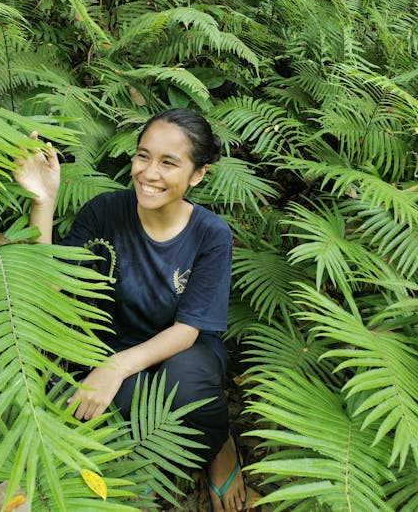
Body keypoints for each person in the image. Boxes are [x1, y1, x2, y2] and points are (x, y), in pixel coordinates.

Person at [13, 108, 247, 512]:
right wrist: (43, 201)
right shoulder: (104, 212)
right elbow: (53, 287)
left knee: (187, 387)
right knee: (103, 403)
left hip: (183, 350)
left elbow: (189, 329)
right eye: (143, 156)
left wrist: (117, 367)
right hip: (110, 342)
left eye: (168, 162)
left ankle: (219, 442)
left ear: (197, 175)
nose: (149, 173)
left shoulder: (211, 233)